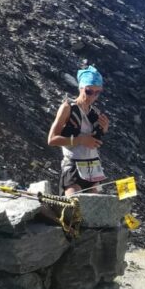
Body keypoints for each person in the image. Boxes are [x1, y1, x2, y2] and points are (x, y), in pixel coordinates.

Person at [48, 65, 110, 195]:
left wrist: (103, 130)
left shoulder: (95, 113)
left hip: (94, 170)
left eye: (97, 92)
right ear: (81, 88)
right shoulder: (67, 108)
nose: (93, 96)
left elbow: (93, 140)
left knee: (96, 211)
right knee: (75, 208)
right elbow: (52, 140)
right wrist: (80, 140)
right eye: (89, 91)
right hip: (73, 169)